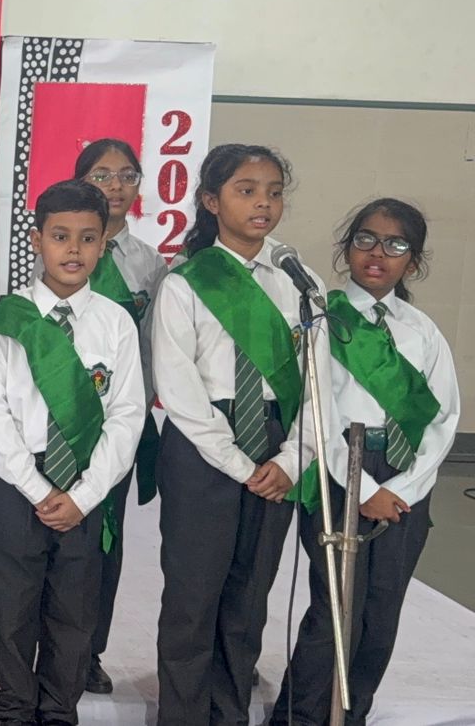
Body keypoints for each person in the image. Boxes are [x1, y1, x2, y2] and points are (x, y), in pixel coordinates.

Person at [151, 143, 328, 726]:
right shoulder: (185, 281)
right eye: (246, 191)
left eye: (274, 192)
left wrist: (293, 457)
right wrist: (239, 463)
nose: (263, 204)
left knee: (250, 596)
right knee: (193, 594)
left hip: (276, 445)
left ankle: (229, 713)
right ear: (211, 200)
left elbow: (318, 385)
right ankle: (182, 716)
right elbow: (178, 388)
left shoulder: (302, 284)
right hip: (204, 449)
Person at [268, 199, 460, 726]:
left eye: (396, 245)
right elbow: (317, 412)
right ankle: (299, 717)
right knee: (334, 609)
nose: (378, 253)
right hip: (339, 472)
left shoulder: (423, 331)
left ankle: (352, 715)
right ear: (346, 248)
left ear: (413, 261)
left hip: (403, 482)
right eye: (366, 239)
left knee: (380, 610)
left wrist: (404, 488)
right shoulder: (321, 320)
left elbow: (444, 420)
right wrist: (363, 490)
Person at [0, 179, 145, 726]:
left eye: (88, 238)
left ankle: (59, 705)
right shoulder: (10, 318)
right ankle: (16, 701)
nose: (74, 250)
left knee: (75, 602)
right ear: (37, 240)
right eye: (61, 236)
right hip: (22, 482)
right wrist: (37, 489)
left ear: (103, 245)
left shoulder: (116, 322)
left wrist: (85, 495)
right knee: (12, 599)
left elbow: (127, 415)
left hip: (87, 485)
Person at [70, 139, 168, 694]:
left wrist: (132, 415)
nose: (115, 186)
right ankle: (49, 647)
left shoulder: (149, 263)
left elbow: (153, 350)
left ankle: (89, 650)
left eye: (127, 175)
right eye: (102, 175)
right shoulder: (59, 245)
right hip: (60, 423)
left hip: (120, 424)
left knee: (107, 535)